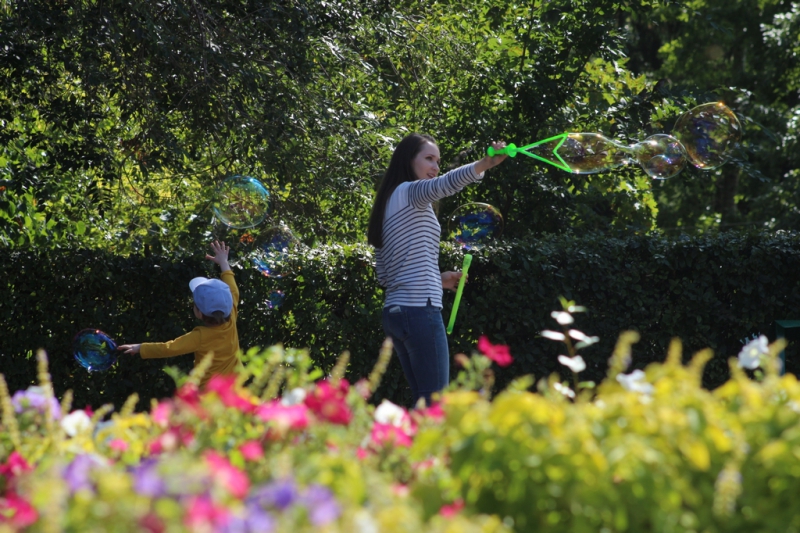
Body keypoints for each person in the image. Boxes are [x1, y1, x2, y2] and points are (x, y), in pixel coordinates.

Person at [367, 134, 508, 406]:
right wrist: (484, 164)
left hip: (395, 312)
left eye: (438, 161)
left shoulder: (387, 203)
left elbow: (385, 276)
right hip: (420, 310)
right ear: (408, 160)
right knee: (435, 405)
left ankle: (409, 449)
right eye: (428, 158)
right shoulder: (411, 191)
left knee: (424, 402)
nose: (435, 166)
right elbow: (444, 185)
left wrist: (438, 278)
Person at [117, 240, 243, 389]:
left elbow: (169, 348)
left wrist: (141, 348)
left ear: (198, 312)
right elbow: (233, 288)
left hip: (209, 393)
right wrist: (223, 262)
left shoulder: (200, 336)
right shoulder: (231, 314)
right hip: (234, 386)